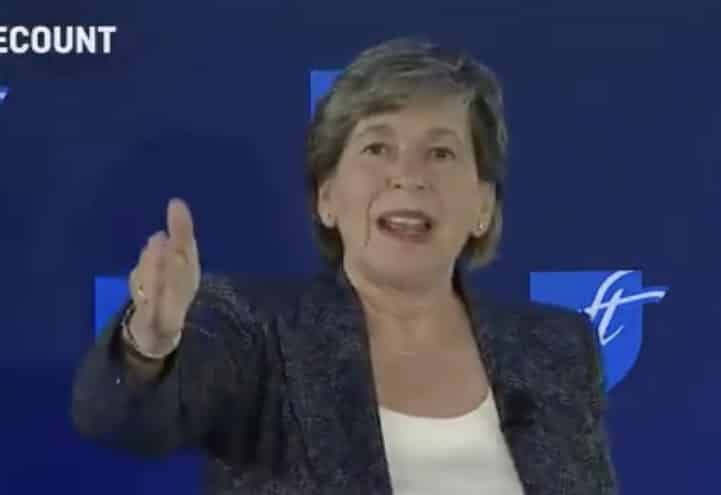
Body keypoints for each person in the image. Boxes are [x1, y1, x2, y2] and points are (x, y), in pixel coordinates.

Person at [71, 37, 618, 494]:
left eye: (441, 152)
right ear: (326, 197)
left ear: (483, 206)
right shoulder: (255, 332)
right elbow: (124, 420)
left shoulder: (557, 349)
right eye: (377, 148)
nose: (408, 176)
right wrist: (149, 345)